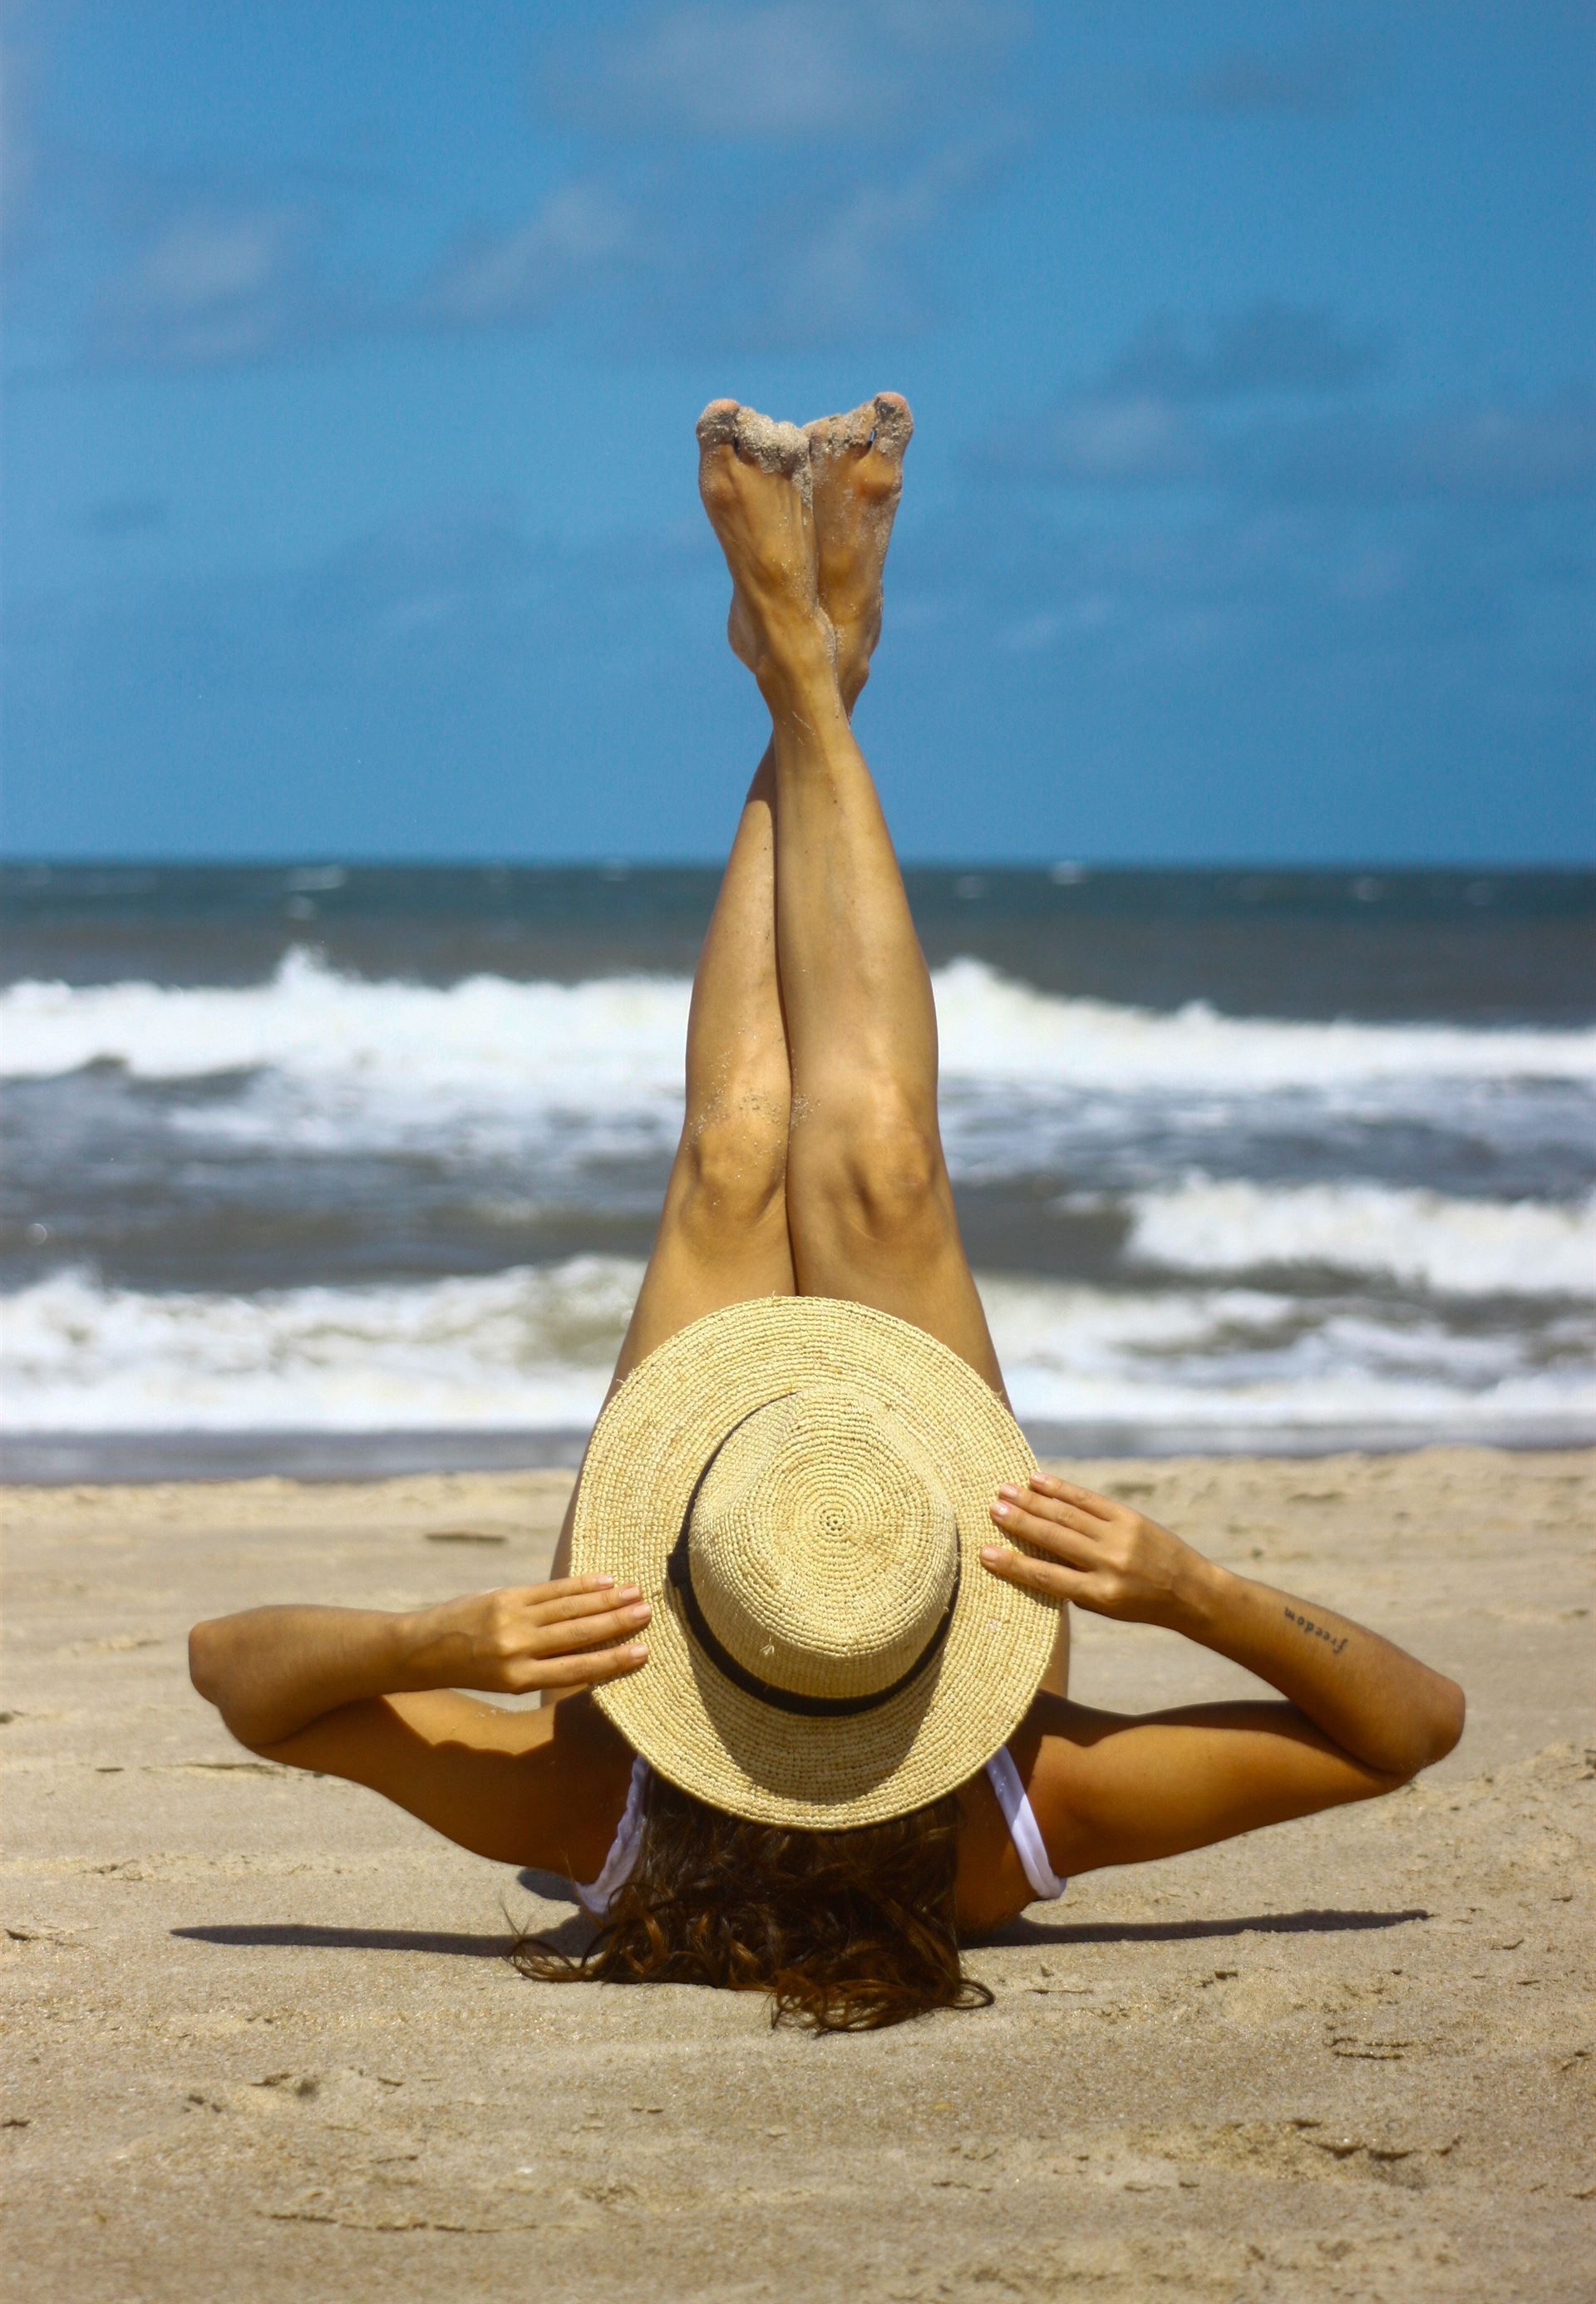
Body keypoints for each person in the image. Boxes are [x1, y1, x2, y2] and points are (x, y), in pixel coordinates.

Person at [189, 394, 1465, 2033]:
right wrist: (1186, 1591)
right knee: (881, 1163)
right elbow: (1412, 1726)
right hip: (907, 1534)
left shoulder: (594, 1812)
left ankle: (807, 659)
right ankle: (809, 664)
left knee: (734, 1158)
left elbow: (236, 1673)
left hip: (678, 1574)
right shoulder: (1012, 1828)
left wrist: (440, 1638)